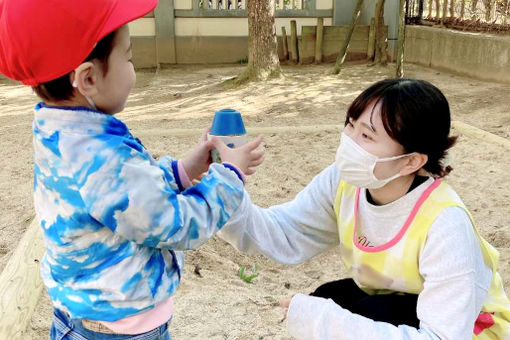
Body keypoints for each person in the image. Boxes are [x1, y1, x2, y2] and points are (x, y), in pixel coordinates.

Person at [0, 0, 264, 339]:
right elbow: (178, 225)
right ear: (88, 78)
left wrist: (183, 169)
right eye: (128, 56)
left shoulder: (62, 133)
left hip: (79, 317)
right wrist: (230, 176)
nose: (133, 69)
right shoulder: (103, 156)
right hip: (121, 330)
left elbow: (128, 199)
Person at [217, 78, 510, 339]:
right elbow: (285, 232)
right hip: (394, 303)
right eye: (351, 125)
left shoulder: (446, 223)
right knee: (331, 298)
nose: (349, 142)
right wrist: (222, 193)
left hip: (468, 328)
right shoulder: (345, 181)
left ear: (411, 161)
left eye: (367, 136)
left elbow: (442, 335)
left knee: (342, 312)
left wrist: (322, 323)